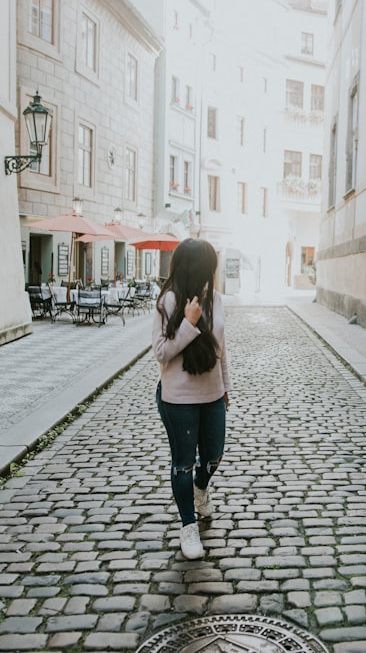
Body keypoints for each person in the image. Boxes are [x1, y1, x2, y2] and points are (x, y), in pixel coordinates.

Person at [152, 238, 230, 560]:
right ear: (198, 268)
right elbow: (161, 352)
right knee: (182, 463)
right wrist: (188, 324)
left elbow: (222, 347)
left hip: (212, 394)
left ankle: (202, 487)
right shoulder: (167, 302)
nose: (214, 272)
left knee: (213, 455)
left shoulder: (216, 299)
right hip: (178, 399)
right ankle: (188, 526)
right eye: (210, 266)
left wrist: (226, 386)